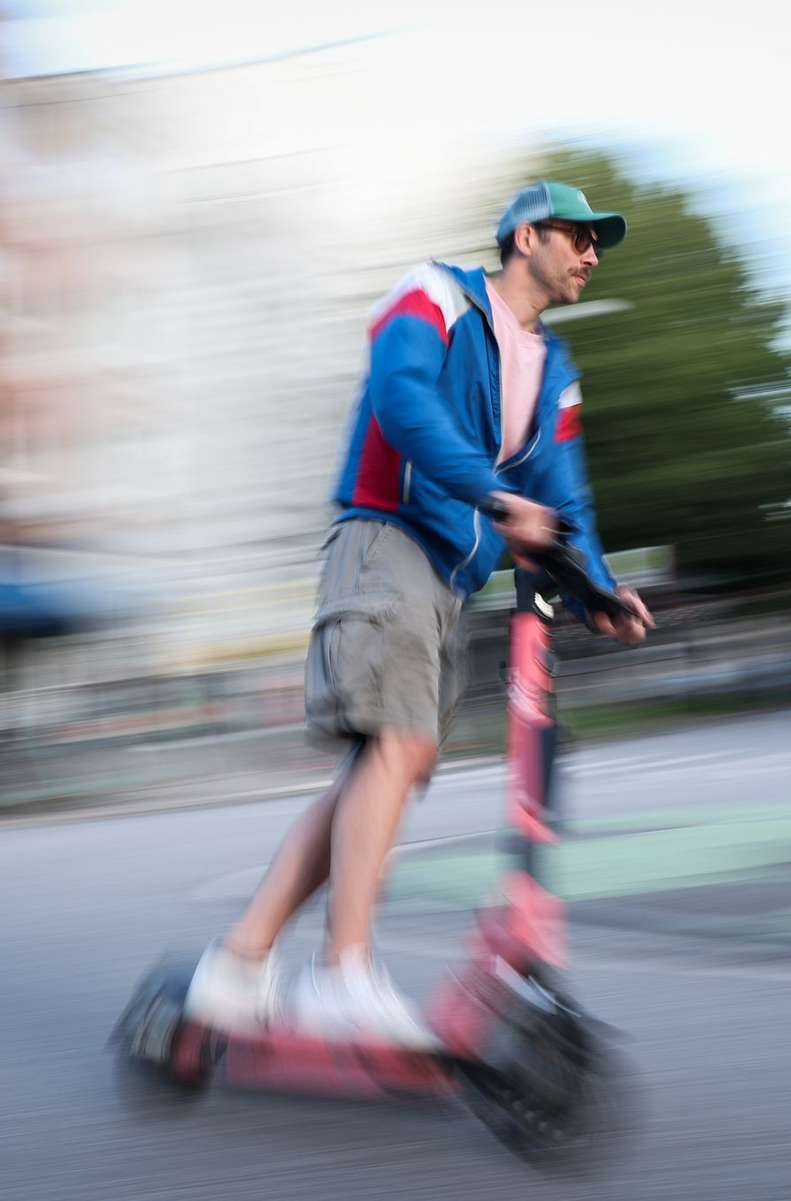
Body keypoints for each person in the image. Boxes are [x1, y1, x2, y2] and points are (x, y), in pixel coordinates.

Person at [184, 181, 654, 1046]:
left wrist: (600, 588)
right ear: (525, 236)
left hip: (448, 578)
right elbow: (403, 404)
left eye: (598, 245)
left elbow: (566, 495)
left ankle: (239, 963)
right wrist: (493, 495)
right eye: (581, 237)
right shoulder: (433, 295)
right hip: (387, 539)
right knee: (394, 754)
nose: (593, 255)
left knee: (384, 772)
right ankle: (343, 975)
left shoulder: (555, 371)